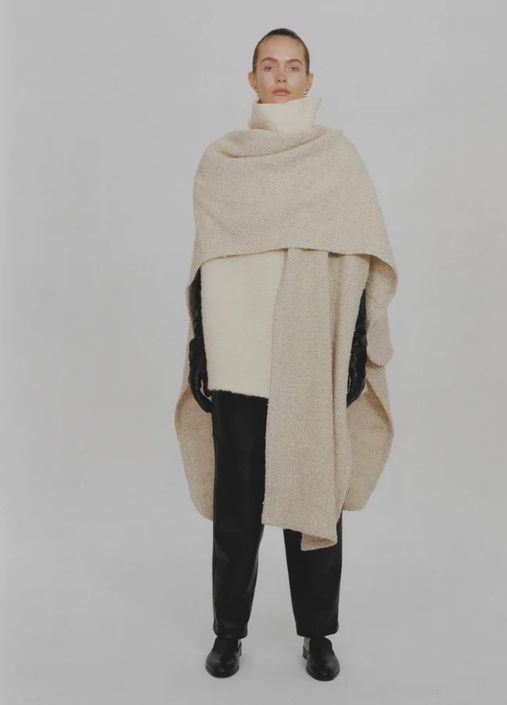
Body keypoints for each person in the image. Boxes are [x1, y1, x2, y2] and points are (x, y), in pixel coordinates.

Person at [174, 27, 398, 682]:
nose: (280, 77)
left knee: (315, 495)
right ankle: (228, 632)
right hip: (237, 352)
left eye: (292, 66)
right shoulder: (222, 162)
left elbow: (361, 257)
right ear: (251, 79)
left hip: (309, 353)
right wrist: (200, 344)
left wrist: (354, 347)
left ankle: (318, 634)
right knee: (236, 504)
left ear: (308, 79)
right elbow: (206, 263)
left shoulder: (337, 159)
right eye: (268, 66)